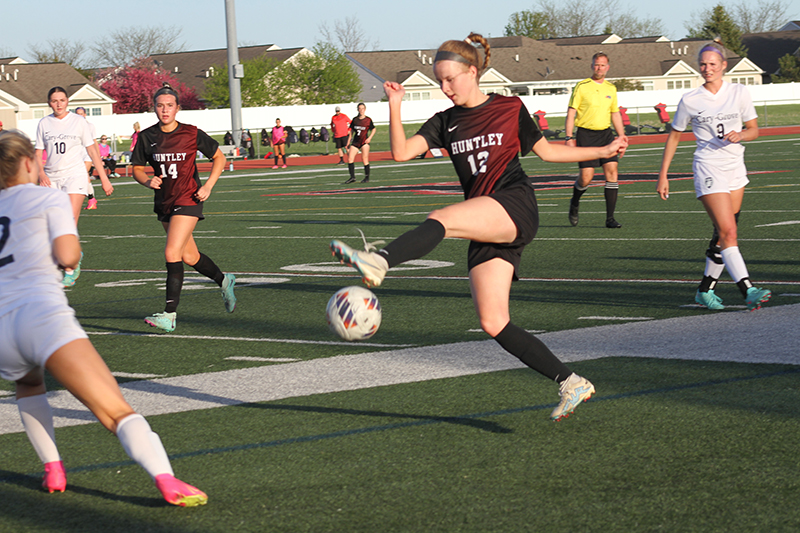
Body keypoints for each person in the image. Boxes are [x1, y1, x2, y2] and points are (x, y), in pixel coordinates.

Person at [330, 33, 627, 421]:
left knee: (442, 218)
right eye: (439, 81)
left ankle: (380, 260)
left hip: (513, 204)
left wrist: (601, 151)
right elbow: (401, 153)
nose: (445, 87)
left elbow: (549, 152)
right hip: (484, 220)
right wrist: (396, 105)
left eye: (451, 79)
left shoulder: (508, 107)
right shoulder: (445, 122)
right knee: (493, 321)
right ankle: (571, 381)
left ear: (473, 71)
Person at [0, 129, 207, 506]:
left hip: (1, 327)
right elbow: (69, 256)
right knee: (114, 410)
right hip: (41, 314)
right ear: (30, 162)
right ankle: (166, 478)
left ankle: (54, 469)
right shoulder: (48, 197)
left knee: (29, 388)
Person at [657, 43, 771, 312]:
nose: (706, 69)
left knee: (724, 233)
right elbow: (674, 136)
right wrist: (664, 175)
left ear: (723, 66)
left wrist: (741, 134)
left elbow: (754, 129)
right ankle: (748, 290)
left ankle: (705, 290)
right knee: (728, 231)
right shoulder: (691, 100)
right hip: (708, 167)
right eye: (703, 64)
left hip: (735, 167)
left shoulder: (739, 92)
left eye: (712, 64)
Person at [131, 83, 237, 332]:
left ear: (178, 108)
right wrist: (147, 180)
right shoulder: (147, 137)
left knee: (171, 252)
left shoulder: (191, 133)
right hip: (164, 202)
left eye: (169, 105)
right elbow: (136, 168)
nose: (164, 110)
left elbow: (219, 158)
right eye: (160, 105)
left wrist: (209, 186)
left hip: (189, 200)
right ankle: (224, 280)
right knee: (189, 256)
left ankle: (169, 315)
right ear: (154, 108)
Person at [35, 88, 114, 287]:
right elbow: (37, 153)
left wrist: (103, 178)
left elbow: (93, 151)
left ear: (67, 101)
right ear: (49, 103)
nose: (59, 104)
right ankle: (74, 252)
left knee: (69, 220)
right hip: (51, 176)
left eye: (62, 100)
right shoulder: (44, 123)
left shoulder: (79, 122)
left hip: (75, 175)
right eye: (54, 101)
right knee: (53, 223)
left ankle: (71, 267)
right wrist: (41, 173)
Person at [564, 52, 628, 228]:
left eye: (602, 65)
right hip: (586, 135)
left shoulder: (611, 88)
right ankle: (575, 202)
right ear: (592, 66)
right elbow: (571, 112)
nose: (599, 68)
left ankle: (610, 219)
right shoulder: (582, 86)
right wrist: (569, 137)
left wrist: (621, 136)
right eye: (596, 64)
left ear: (607, 67)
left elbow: (615, 113)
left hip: (605, 135)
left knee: (612, 173)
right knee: (586, 178)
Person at [73, 107, 100, 210]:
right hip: (76, 154)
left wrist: (97, 156)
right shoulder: (73, 127)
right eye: (77, 114)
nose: (79, 116)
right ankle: (91, 199)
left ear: (85, 115)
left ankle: (91, 199)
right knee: (81, 177)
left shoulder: (90, 126)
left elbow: (94, 141)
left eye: (81, 114)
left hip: (87, 154)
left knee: (83, 174)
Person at [344, 103, 376, 184]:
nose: (361, 110)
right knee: (350, 159)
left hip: (364, 141)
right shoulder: (355, 120)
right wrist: (348, 142)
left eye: (362, 108)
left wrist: (369, 138)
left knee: (365, 159)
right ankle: (352, 177)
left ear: (365, 109)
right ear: (358, 109)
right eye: (359, 108)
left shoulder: (368, 120)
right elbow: (351, 131)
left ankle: (366, 177)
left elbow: (373, 129)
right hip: (355, 141)